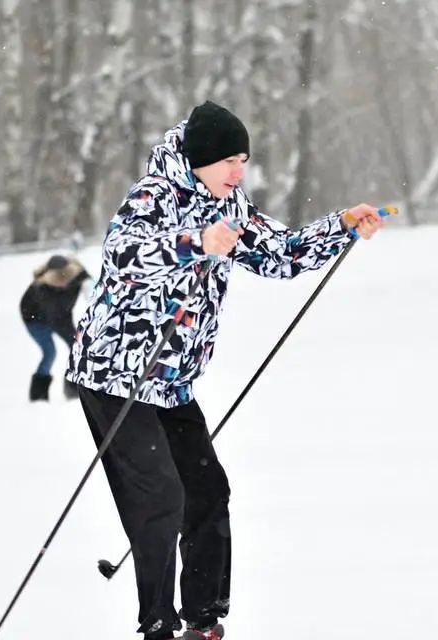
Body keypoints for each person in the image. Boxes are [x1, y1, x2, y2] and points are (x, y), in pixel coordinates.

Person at [65, 101, 386, 640]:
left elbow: (280, 254)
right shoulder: (153, 196)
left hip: (170, 381)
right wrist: (196, 243)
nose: (239, 171)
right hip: (115, 375)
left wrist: (342, 226)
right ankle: (157, 625)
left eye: (243, 161)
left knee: (208, 491)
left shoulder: (229, 203)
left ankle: (204, 621)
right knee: (161, 497)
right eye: (229, 161)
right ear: (200, 159)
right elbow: (123, 257)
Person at [19, 254, 89, 401]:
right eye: (57, 280)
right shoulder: (41, 288)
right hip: (35, 321)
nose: (63, 283)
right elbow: (54, 315)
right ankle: (38, 395)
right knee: (50, 353)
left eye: (65, 277)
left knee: (77, 347)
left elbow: (92, 290)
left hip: (61, 318)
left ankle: (73, 388)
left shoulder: (77, 278)